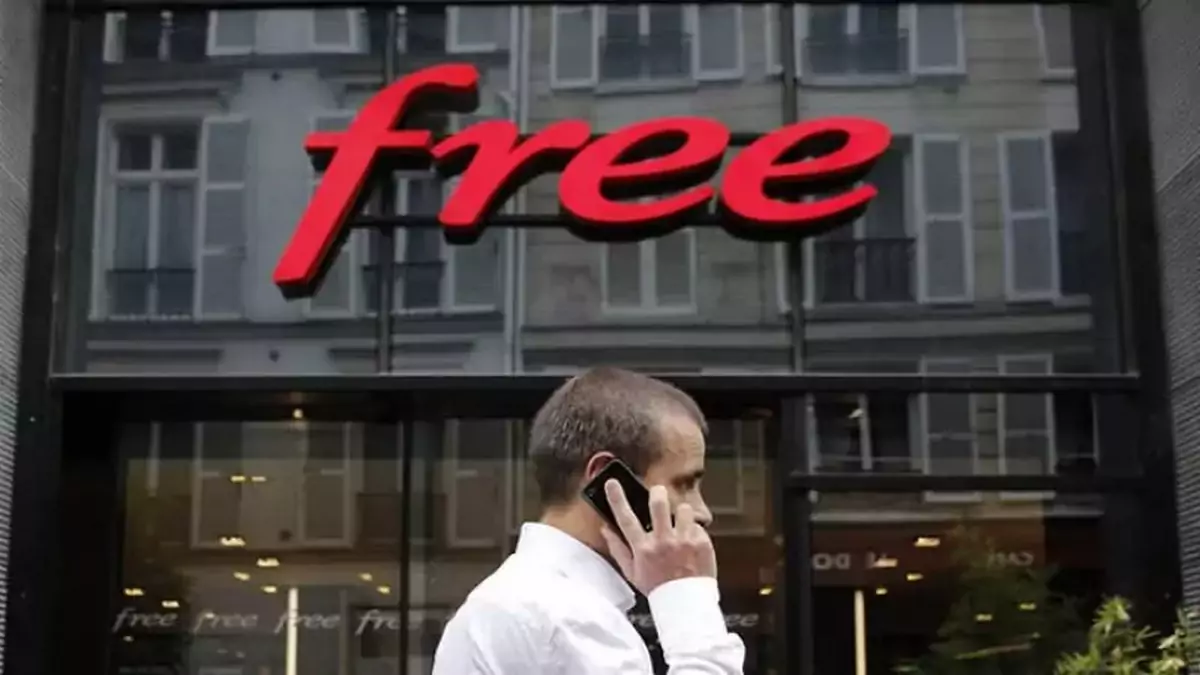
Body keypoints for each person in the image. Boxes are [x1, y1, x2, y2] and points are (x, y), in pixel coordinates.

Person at [432, 367, 745, 674]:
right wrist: (687, 601)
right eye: (685, 484)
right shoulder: (565, 619)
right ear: (608, 480)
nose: (702, 512)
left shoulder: (526, 602)